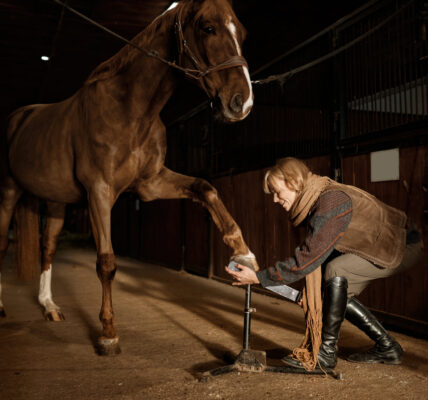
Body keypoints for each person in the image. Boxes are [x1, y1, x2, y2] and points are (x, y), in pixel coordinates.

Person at [226, 157, 423, 371]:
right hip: (383, 246)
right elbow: (319, 253)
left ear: (292, 183)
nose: (274, 199)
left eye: (276, 191)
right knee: (333, 291)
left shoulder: (331, 200)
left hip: (403, 246)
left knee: (336, 270)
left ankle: (326, 353)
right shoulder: (317, 198)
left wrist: (260, 277)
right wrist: (314, 295)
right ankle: (388, 347)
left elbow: (309, 258)